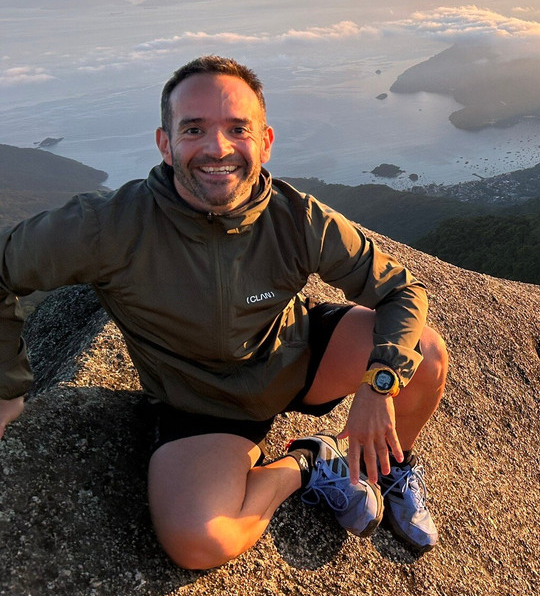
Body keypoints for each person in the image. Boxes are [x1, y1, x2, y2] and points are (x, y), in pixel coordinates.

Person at [0, 56, 448, 569]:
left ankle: (386, 469)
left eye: (238, 129)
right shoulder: (109, 227)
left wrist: (379, 384)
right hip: (204, 403)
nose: (218, 148)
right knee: (199, 544)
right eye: (194, 129)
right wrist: (7, 389)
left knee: (427, 353)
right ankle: (308, 464)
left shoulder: (295, 216)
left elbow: (401, 291)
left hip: (296, 359)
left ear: (265, 141)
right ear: (165, 143)